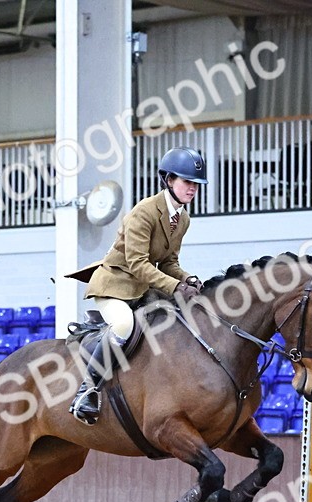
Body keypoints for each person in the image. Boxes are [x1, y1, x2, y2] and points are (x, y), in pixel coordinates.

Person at [65, 146, 208, 425]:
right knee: (124, 326)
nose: (192, 189)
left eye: (196, 184)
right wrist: (175, 287)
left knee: (176, 319)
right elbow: (138, 264)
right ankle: (88, 390)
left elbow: (168, 262)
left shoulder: (183, 219)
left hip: (143, 289)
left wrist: (187, 278)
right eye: (187, 182)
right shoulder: (144, 212)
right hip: (114, 286)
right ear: (168, 180)